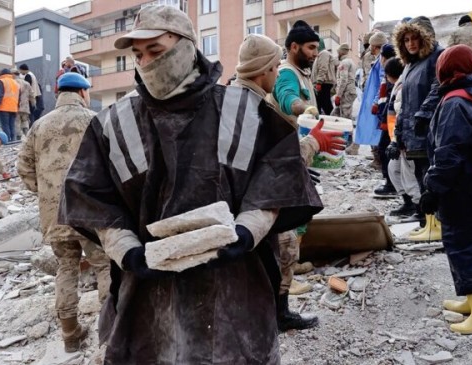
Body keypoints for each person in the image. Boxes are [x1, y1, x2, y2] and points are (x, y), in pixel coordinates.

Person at [58, 6, 321, 363]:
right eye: (138, 54)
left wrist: (246, 231)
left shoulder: (243, 109)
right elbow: (91, 198)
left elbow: (276, 179)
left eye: (156, 50)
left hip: (233, 289)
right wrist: (126, 249)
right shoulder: (114, 124)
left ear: (186, 47)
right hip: (148, 297)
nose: (146, 62)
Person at [233, 34, 344, 332]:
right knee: (283, 250)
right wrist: (313, 143)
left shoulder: (234, 99)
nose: (277, 73)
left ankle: (271, 314)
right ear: (264, 70)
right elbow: (273, 162)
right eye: (274, 68)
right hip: (255, 204)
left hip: (244, 201)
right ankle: (274, 317)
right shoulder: (254, 108)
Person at [18, 72, 110, 353]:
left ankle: (70, 333)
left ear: (59, 94)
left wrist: (46, 194)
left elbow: (24, 167)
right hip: (90, 210)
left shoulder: (38, 126)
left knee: (66, 267)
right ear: (83, 93)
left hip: (55, 214)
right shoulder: (95, 120)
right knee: (104, 264)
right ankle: (110, 333)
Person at [422, 44, 472, 335]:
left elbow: (449, 154)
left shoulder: (455, 102)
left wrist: (433, 189)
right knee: (469, 243)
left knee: (464, 246)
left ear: (444, 69)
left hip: (463, 189)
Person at [392, 16, 444, 240]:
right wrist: (399, 135)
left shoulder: (436, 57)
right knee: (421, 174)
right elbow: (405, 103)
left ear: (426, 38)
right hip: (414, 131)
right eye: (406, 40)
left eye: (415, 38)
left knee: (431, 177)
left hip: (430, 129)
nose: (411, 43)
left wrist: (424, 113)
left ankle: (437, 224)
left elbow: (437, 87)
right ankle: (427, 222)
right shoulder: (411, 64)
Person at [385, 58, 421, 220]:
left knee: (409, 175)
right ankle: (409, 203)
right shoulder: (400, 85)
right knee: (395, 170)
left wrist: (397, 140)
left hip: (405, 139)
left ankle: (420, 211)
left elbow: (402, 115)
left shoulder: (402, 87)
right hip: (399, 137)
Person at [271, 20, 321, 124]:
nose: (316, 54)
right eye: (311, 47)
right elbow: (288, 96)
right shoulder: (286, 72)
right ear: (294, 47)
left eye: (317, 48)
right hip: (292, 138)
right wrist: (302, 108)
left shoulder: (302, 71)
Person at [353, 31, 387, 161]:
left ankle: (379, 159)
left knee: (377, 127)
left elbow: (383, 82)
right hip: (374, 98)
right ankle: (377, 157)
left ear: (374, 46)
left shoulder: (382, 60)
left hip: (377, 100)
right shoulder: (379, 59)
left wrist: (376, 101)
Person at [373, 43, 398, 197]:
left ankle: (391, 183)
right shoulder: (387, 72)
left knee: (385, 149)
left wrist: (384, 118)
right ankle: (390, 182)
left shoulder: (392, 69)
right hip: (386, 117)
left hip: (390, 119)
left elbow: (391, 99)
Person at [312, 39, 338, 115]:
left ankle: (333, 120)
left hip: (324, 83)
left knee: (325, 104)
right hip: (323, 82)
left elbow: (323, 68)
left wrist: (319, 82)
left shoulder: (323, 53)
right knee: (319, 104)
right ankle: (320, 119)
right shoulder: (320, 54)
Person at [0, 68, 20, 141]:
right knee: (12, 126)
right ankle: (13, 141)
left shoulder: (2, 81)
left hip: (4, 107)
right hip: (14, 108)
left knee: (5, 126)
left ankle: (7, 141)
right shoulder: (16, 83)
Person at [333, 43, 357, 120]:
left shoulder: (344, 63)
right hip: (350, 91)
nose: (337, 54)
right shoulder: (351, 62)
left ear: (342, 52)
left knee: (345, 117)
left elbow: (343, 80)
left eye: (338, 52)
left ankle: (346, 131)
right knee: (347, 114)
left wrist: (338, 96)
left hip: (346, 92)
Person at [12, 68, 35, 140]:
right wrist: (33, 104)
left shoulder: (13, 82)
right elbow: (32, 95)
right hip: (25, 107)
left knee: (17, 123)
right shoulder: (26, 83)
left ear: (13, 74)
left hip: (16, 106)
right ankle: (28, 137)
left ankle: (18, 138)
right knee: (25, 122)